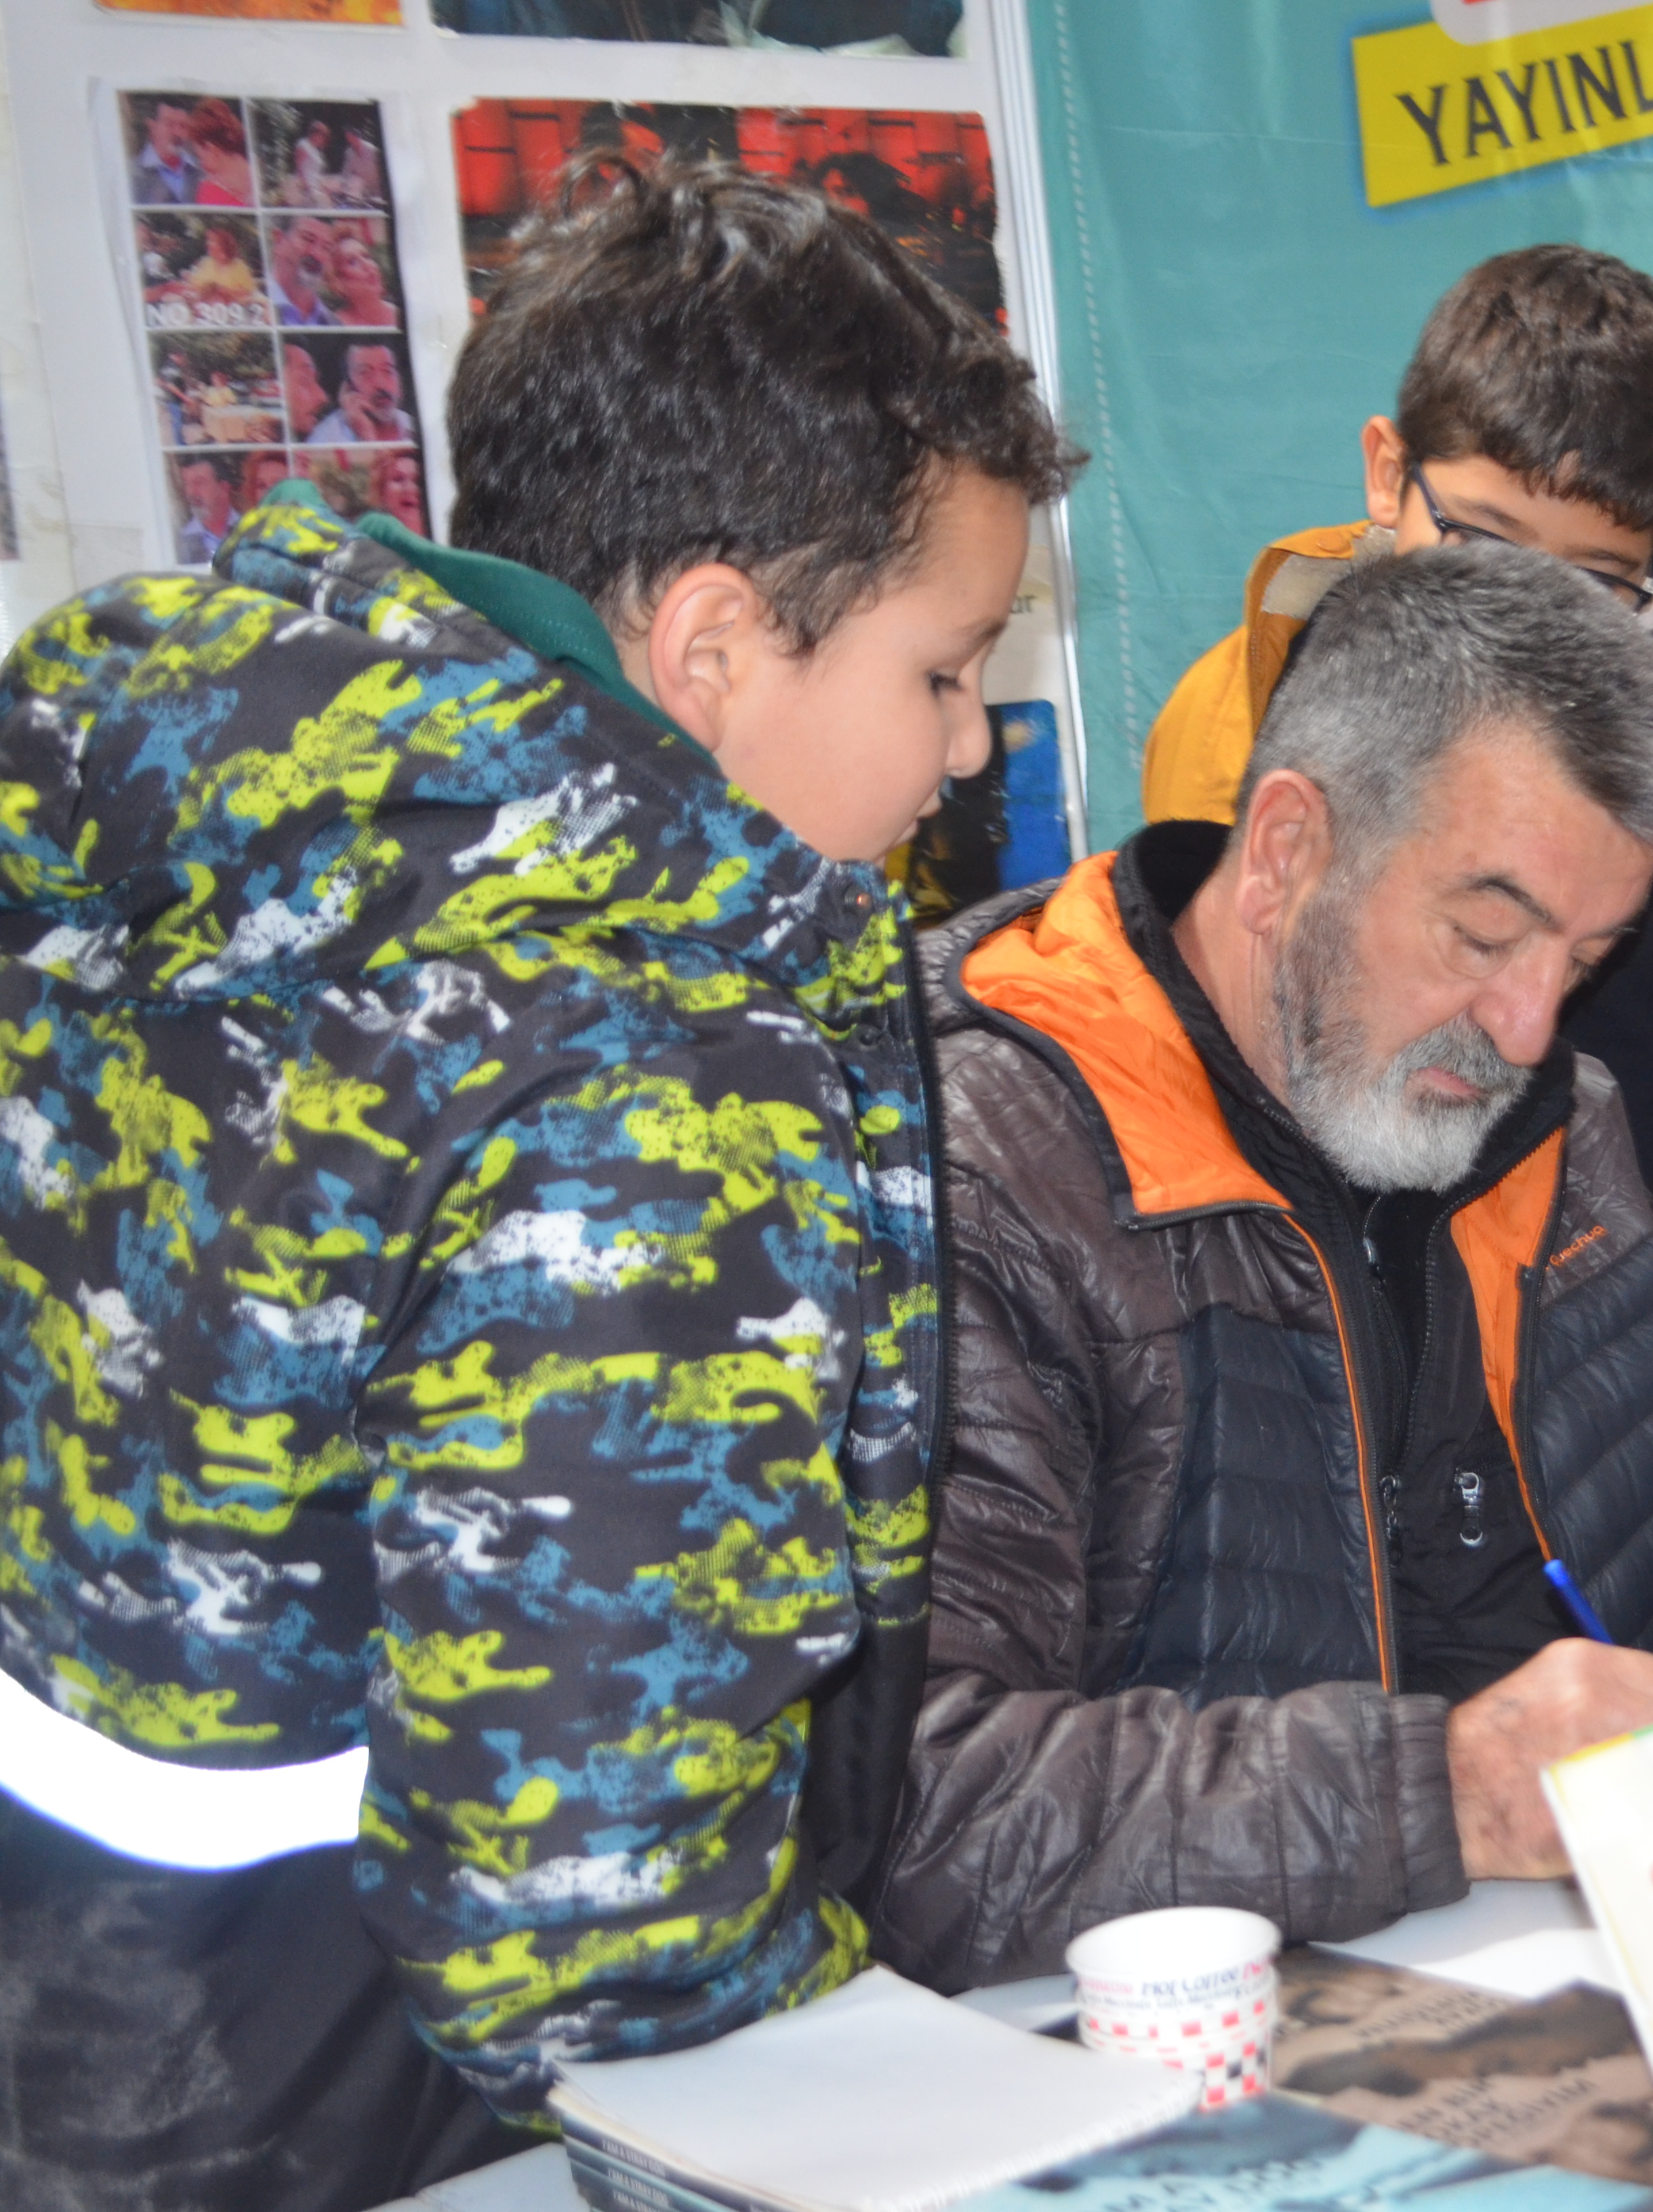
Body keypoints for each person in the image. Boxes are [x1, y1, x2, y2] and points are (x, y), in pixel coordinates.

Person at [0, 162, 1078, 2212]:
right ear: (709, 641)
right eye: (940, 671)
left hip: (97, 2023)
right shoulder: (641, 1055)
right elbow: (594, 1929)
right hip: (416, 2118)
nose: (962, 746)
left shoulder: (208, 801)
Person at [876, 544, 1653, 1986]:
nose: (1532, 1026)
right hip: (1193, 2049)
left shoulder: (1548, 1121)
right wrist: (1450, 1789)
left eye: (1588, 956)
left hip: (1605, 1979)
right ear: (1288, 849)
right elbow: (921, 1808)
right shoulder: (986, 1160)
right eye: (1486, 935)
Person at [1131, 246, 1653, 1455]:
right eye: (1487, 545)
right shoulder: (1234, 713)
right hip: (1305, 1410)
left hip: (1636, 1417)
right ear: (1389, 472)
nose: (1526, 621)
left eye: (1592, 579)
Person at [308, 336, 409, 444]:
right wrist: (363, 433)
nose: (380, 384)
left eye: (388, 371)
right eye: (365, 373)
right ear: (348, 387)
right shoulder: (325, 438)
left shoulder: (412, 424)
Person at [169, 451, 241, 562]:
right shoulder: (182, 542)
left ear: (224, 488)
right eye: (186, 484)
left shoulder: (250, 530)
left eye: (199, 483)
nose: (191, 492)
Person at [130, 95, 201, 205]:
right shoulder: (131, 174)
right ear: (152, 127)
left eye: (183, 126)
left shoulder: (203, 172)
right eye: (170, 124)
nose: (177, 133)